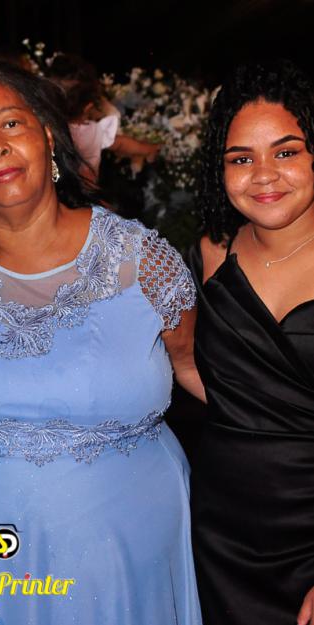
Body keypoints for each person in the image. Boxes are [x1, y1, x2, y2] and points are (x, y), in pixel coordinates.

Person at [0, 62, 204, 624]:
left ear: (46, 134)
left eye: (10, 124)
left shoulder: (141, 262)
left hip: (124, 553)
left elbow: (200, 370)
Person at [190, 60, 314, 625]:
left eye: (286, 152)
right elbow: (191, 367)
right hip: (222, 534)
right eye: (241, 159)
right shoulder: (211, 251)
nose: (264, 175)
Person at [47, 53, 161, 183]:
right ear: (88, 108)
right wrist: (149, 149)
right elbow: (122, 144)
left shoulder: (44, 129)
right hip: (84, 192)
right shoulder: (93, 132)